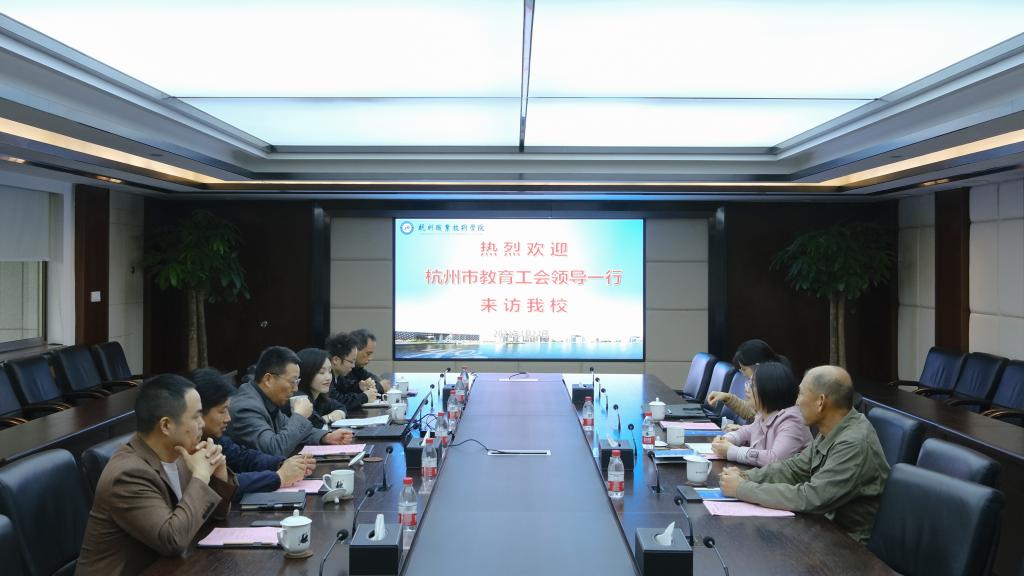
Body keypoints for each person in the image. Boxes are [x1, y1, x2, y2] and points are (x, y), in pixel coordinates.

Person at [76, 375, 236, 575]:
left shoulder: (179, 453)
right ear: (166, 425)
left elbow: (216, 515)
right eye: (196, 417)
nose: (202, 424)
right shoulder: (128, 475)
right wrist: (201, 477)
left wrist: (218, 474)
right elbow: (172, 540)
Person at [719, 366, 889, 543]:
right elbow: (794, 468)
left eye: (801, 394)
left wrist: (742, 489)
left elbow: (812, 497)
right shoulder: (833, 428)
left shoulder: (853, 443)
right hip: (822, 527)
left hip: (848, 543)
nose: (797, 402)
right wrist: (746, 476)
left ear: (820, 402)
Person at [191, 368, 316, 501]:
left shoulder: (214, 438)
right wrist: (279, 477)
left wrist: (281, 463)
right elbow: (222, 485)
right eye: (222, 411)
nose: (228, 418)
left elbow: (243, 457)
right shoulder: (246, 407)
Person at [226, 346, 354, 457]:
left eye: (297, 382)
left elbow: (291, 429)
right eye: (292, 381)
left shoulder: (266, 398)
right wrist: (299, 416)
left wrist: (326, 437)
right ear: (268, 380)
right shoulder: (246, 407)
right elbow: (274, 450)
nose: (296, 389)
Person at [710, 362, 812, 467]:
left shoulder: (792, 420)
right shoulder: (763, 413)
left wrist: (732, 451)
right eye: (748, 383)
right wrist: (726, 439)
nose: (746, 389)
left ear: (769, 390)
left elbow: (775, 459)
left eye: (752, 385)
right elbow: (746, 431)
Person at [706, 339, 791, 424]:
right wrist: (727, 397)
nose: (743, 374)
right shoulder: (769, 384)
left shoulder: (777, 389)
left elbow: (768, 425)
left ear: (757, 367)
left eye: (744, 369)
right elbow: (754, 415)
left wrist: (746, 429)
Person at [326, 331, 379, 411]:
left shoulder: (339, 376)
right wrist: (364, 397)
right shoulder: (326, 376)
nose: (353, 366)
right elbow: (337, 400)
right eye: (351, 362)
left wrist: (359, 387)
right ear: (336, 360)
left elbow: (346, 389)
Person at [297, 347, 347, 428]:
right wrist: (328, 418)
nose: (328, 378)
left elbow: (341, 407)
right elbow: (317, 424)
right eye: (321, 372)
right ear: (306, 373)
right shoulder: (299, 399)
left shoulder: (319, 397)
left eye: (330, 371)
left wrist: (329, 417)